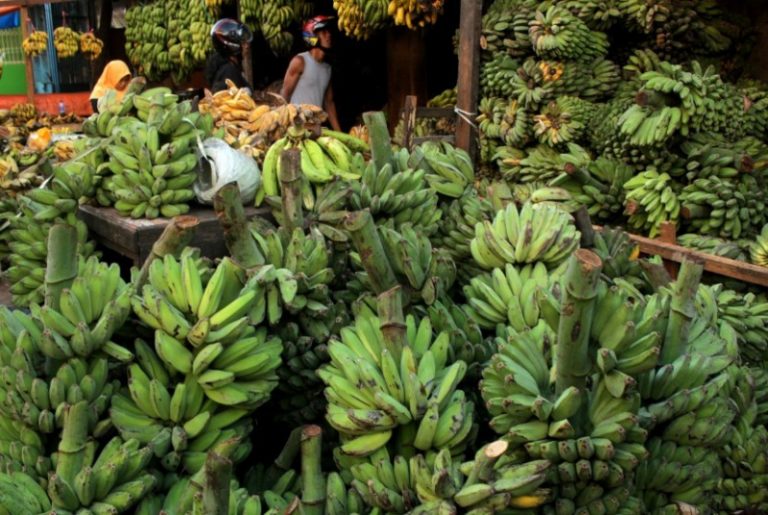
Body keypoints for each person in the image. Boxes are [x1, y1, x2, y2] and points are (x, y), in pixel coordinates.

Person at [281, 15, 341, 131]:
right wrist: (282, 125)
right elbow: (285, 95)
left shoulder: (327, 69)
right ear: (312, 36)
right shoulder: (300, 61)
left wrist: (340, 133)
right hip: (297, 128)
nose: (329, 35)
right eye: (324, 32)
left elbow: (329, 103)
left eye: (328, 32)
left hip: (315, 129)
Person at [205, 18, 253, 93]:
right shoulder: (229, 71)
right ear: (232, 46)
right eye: (243, 43)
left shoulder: (230, 66)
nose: (247, 46)